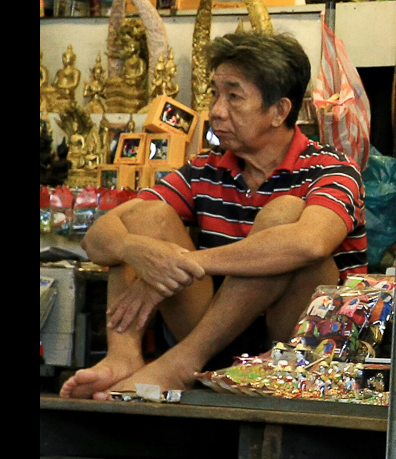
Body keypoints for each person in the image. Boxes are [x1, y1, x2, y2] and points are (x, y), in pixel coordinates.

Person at [60, 31, 368, 400]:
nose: (217, 110)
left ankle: (180, 364)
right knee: (145, 221)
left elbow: (310, 243)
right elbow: (97, 239)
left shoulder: (330, 168)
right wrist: (136, 250)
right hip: (219, 333)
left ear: (279, 111)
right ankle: (124, 356)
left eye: (234, 97)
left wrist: (183, 263)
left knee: (285, 216)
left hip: (301, 349)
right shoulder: (205, 168)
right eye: (215, 94)